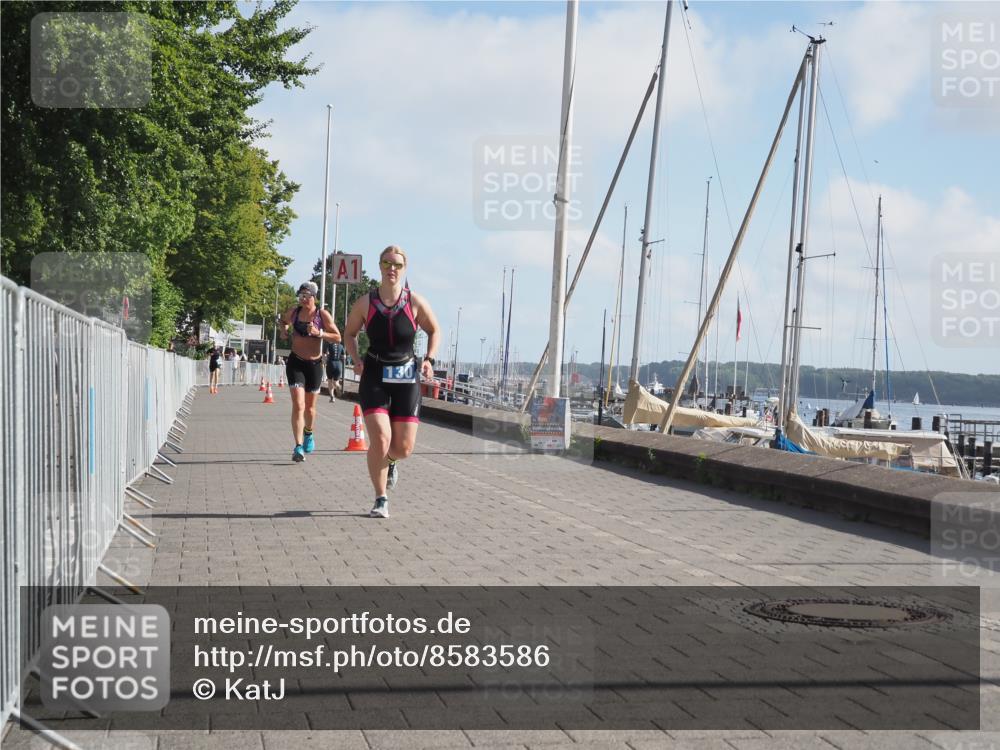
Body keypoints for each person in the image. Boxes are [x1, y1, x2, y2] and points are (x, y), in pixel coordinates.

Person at [343, 245, 439, 518]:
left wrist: (429, 359)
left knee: (403, 448)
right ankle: (380, 497)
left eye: (396, 264)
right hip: (374, 373)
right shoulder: (365, 303)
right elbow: (349, 334)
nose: (391, 269)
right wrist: (356, 359)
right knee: (381, 439)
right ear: (380, 267)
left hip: (406, 375)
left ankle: (393, 462)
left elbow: (434, 330)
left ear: (404, 268)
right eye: (386, 264)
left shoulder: (415, 303)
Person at [280, 282, 341, 462]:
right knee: (298, 405)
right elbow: (283, 322)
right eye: (301, 294)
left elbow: (337, 336)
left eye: (307, 295)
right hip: (295, 362)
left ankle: (308, 433)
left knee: (310, 408)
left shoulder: (322, 315)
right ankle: (298, 446)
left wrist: (319, 332)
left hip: (314, 365)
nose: (303, 298)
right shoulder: (294, 312)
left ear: (314, 296)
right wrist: (283, 330)